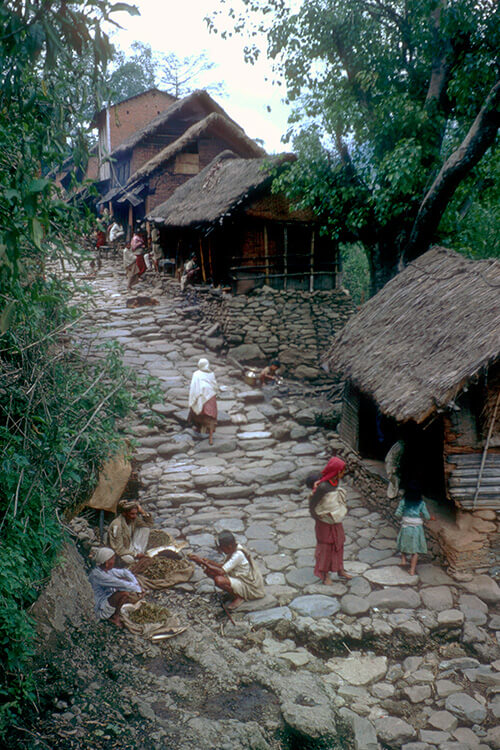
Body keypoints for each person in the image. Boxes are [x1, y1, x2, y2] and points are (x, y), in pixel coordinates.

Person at [189, 530, 265, 610]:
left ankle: (239, 597)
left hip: (247, 584)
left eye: (223, 548)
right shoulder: (233, 549)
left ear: (229, 546)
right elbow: (223, 566)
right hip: (237, 577)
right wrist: (207, 562)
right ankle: (234, 592)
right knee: (209, 571)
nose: (222, 551)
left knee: (219, 580)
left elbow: (221, 571)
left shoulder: (238, 555)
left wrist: (203, 563)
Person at [306, 456, 352, 584]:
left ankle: (340, 569)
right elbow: (313, 504)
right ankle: (325, 574)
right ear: (336, 471)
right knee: (326, 546)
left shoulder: (335, 482)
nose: (343, 473)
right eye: (342, 470)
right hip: (324, 521)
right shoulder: (323, 487)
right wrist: (318, 518)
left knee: (339, 542)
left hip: (335, 519)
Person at [88, 547, 143, 627]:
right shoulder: (97, 575)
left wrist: (136, 584)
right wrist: (139, 589)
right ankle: (115, 616)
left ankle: (115, 611)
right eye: (113, 560)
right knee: (124, 593)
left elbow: (125, 572)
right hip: (100, 608)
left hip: (108, 597)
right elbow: (121, 584)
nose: (114, 562)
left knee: (124, 580)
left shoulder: (107, 570)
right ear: (107, 562)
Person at [395, 480, 434, 576]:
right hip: (417, 528)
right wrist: (431, 518)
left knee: (403, 542)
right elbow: (426, 515)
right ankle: (412, 570)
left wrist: (403, 514)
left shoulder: (403, 501)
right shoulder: (421, 503)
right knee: (415, 549)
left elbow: (398, 513)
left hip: (406, 525)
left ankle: (403, 560)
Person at [107, 500, 154, 565]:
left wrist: (142, 512)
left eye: (136, 514)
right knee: (131, 561)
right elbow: (119, 549)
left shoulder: (133, 519)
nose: (134, 516)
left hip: (129, 547)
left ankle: (139, 553)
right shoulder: (117, 525)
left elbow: (149, 525)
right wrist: (135, 554)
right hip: (119, 552)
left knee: (145, 529)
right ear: (124, 513)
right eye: (132, 514)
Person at [188, 357, 218, 445]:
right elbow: (215, 385)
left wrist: (193, 399)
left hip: (202, 397)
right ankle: (210, 436)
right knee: (211, 415)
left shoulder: (196, 374)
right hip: (210, 396)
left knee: (196, 410)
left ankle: (198, 426)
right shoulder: (211, 374)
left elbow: (193, 388)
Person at [124, 224, 147, 290]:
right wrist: (134, 258)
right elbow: (129, 257)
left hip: (132, 262)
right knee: (131, 275)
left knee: (132, 275)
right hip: (130, 263)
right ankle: (129, 286)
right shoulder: (126, 251)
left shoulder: (128, 250)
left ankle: (130, 285)